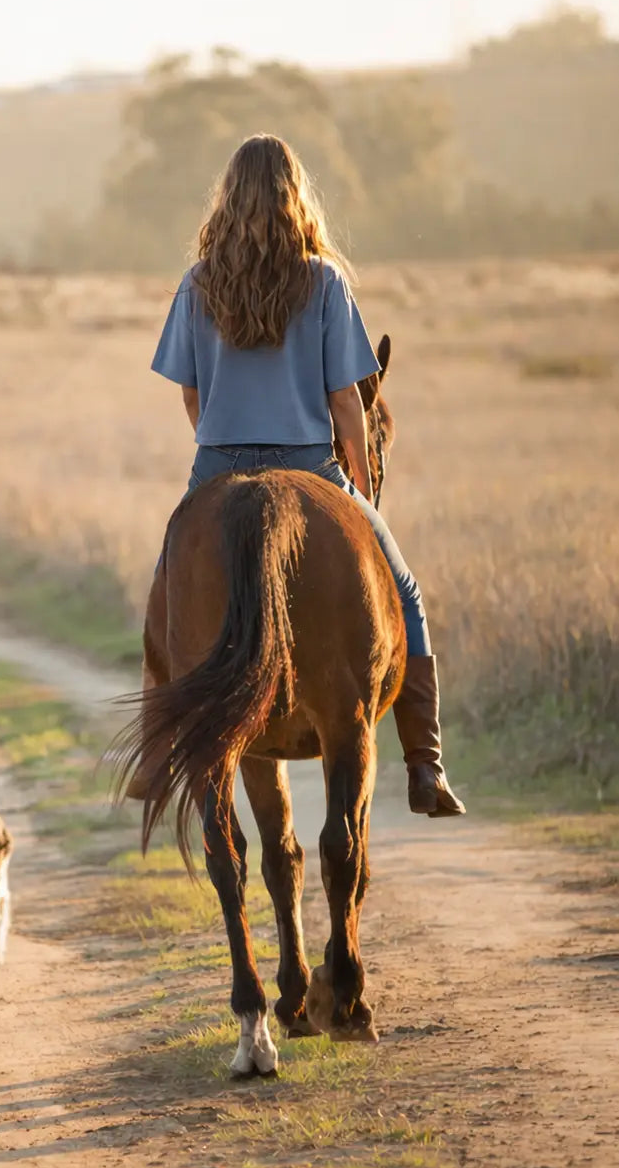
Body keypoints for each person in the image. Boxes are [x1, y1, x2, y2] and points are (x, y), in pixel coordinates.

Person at [150, 133, 464, 818]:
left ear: (227, 198)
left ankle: (155, 752)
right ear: (296, 196)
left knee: (166, 583)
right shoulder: (323, 282)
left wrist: (220, 441)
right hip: (308, 466)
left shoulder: (198, 283)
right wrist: (358, 495)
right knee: (405, 594)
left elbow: (190, 395)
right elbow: (348, 401)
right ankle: (425, 763)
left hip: (218, 463)